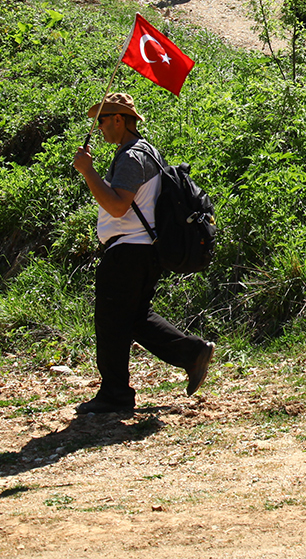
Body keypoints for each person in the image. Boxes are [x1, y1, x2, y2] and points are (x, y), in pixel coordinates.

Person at [71, 93, 214, 414]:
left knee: (110, 322)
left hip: (127, 251)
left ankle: (115, 394)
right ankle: (192, 354)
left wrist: (87, 171)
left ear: (119, 119)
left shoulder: (131, 157)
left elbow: (118, 205)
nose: (99, 127)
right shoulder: (147, 152)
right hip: (145, 252)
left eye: (103, 120)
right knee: (135, 318)